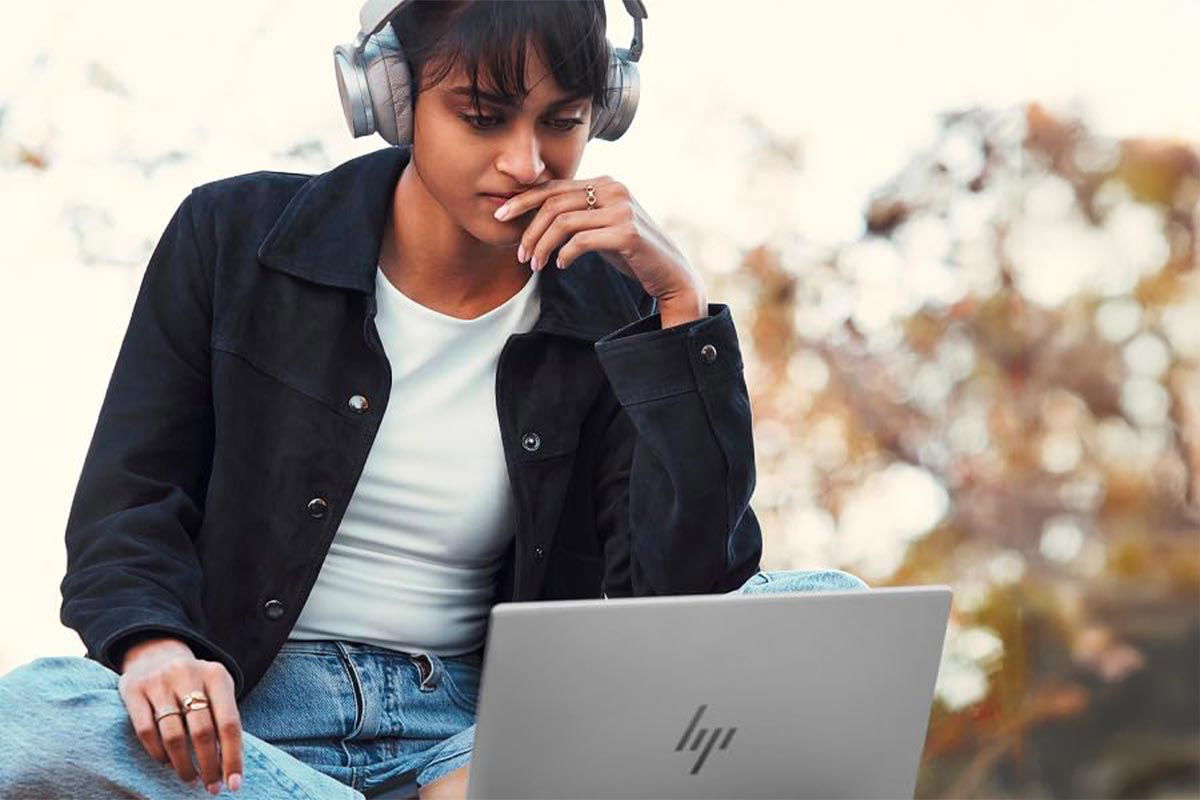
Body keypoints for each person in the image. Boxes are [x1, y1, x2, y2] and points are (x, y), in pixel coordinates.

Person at [0, 2, 868, 799]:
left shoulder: (615, 308)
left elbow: (689, 601)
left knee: (826, 603)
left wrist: (680, 312)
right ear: (390, 96)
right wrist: (157, 653)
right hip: (242, 724)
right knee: (36, 711)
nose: (526, 163)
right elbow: (129, 506)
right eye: (482, 118)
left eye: (563, 122)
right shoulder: (233, 237)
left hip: (473, 736)